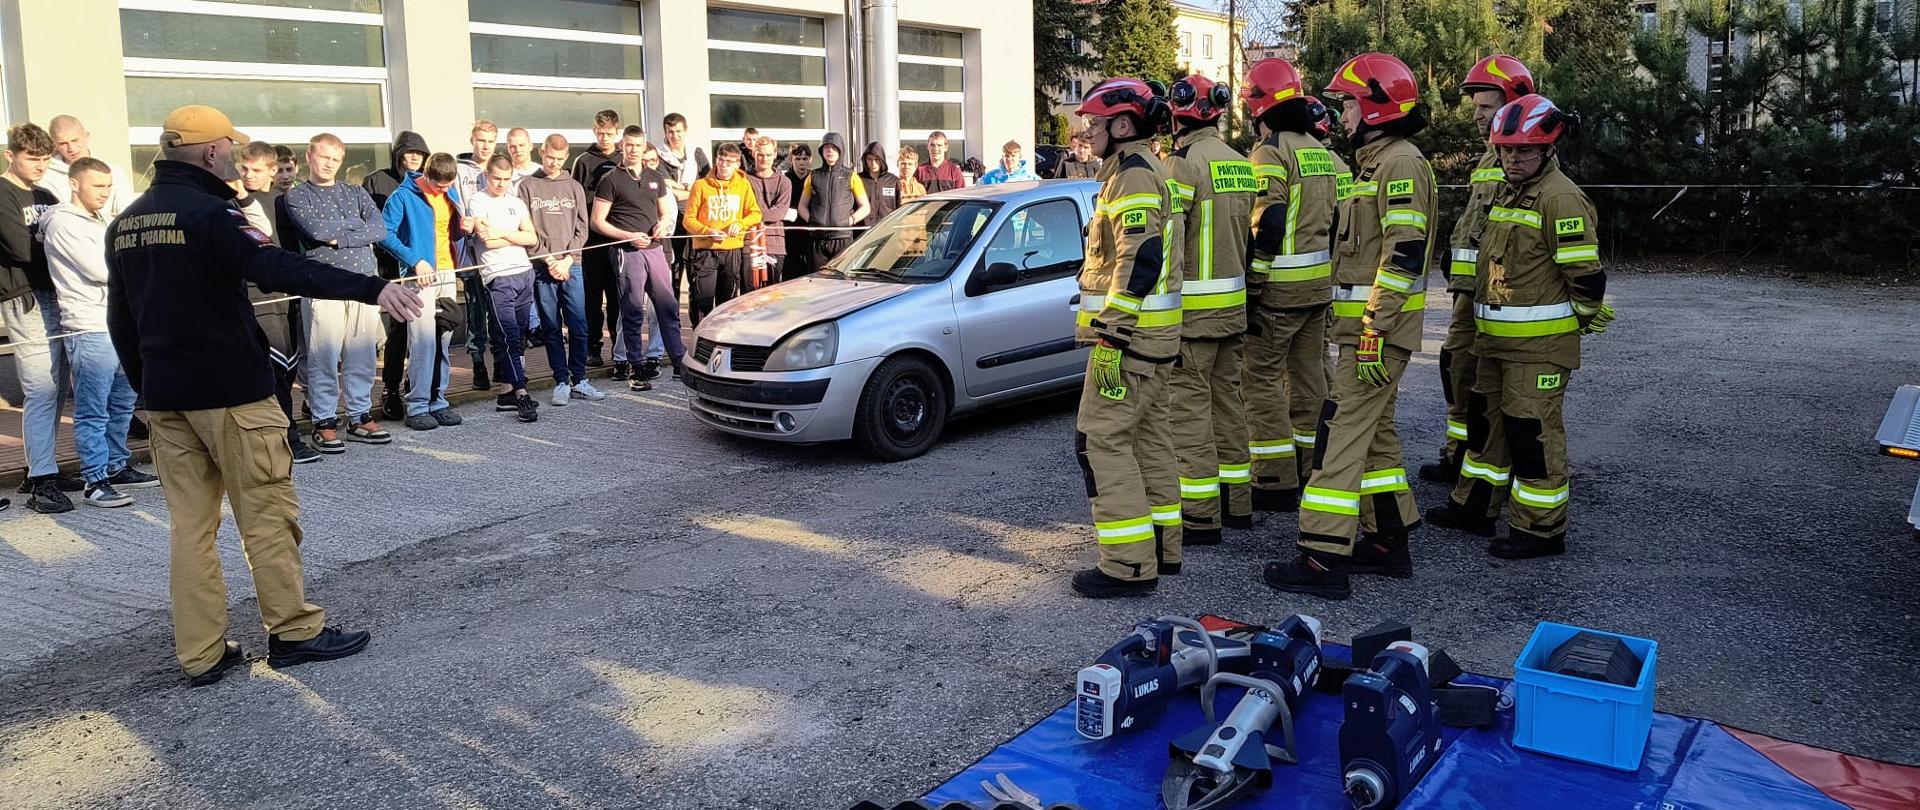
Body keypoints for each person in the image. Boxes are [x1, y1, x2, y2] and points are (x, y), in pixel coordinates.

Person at [106, 104, 425, 685]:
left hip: (167, 398)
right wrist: (372, 287)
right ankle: (294, 631)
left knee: (191, 531)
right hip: (232, 394)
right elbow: (279, 268)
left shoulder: (125, 222)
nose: (233, 154)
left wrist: (147, 389)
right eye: (229, 146)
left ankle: (201, 654)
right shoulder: (214, 214)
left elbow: (120, 320)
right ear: (209, 151)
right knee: (268, 517)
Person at [1264, 53, 1435, 601]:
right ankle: (1388, 541)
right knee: (1375, 435)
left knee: (1338, 433)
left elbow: (1404, 254)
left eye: (1347, 103)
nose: (1340, 114)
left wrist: (1374, 328)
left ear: (1377, 107)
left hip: (1375, 333)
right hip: (1363, 330)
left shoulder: (1400, 164)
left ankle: (1322, 557)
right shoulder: (1376, 163)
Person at [1428, 94, 1611, 560]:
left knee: (1533, 436)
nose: (1513, 157)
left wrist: (1573, 327)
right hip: (1495, 344)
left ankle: (1541, 530)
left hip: (1538, 351)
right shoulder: (1508, 192)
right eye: (1506, 149)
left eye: (1524, 150)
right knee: (1484, 426)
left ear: (1548, 148)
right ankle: (1476, 507)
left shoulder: (1560, 197)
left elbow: (1587, 280)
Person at [1068, 77, 1183, 599]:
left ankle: (1128, 565)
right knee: (1149, 441)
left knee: (1101, 441)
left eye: (1092, 123)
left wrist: (1111, 335)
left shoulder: (1132, 178)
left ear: (1121, 125)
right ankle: (1161, 548)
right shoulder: (1139, 171)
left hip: (1129, 342)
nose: (1084, 131)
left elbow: (1143, 259)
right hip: (1155, 341)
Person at [1420, 55, 1537, 486]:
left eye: (1485, 107)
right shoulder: (1491, 157)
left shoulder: (1520, 160)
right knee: (1457, 367)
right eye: (1476, 108)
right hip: (1469, 290)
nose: (1477, 116)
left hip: (1494, 294)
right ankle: (1459, 454)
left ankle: (1482, 466)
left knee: (1482, 378)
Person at [1239, 59, 1340, 515]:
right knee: (1309, 378)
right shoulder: (1318, 151)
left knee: (1260, 381)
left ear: (1259, 105)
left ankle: (1275, 479)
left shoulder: (1269, 151)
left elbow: (1271, 219)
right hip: (1317, 289)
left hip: (1279, 291)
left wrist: (1255, 282)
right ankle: (1311, 464)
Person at [1163, 73, 1257, 547]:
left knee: (1189, 415)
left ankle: (1200, 515)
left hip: (1193, 318)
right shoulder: (1241, 163)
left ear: (1178, 113)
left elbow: (1169, 243)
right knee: (1230, 408)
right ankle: (1237, 503)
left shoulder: (1182, 166)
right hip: (1233, 313)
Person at [44, 157, 157, 507]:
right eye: (98, 186)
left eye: (108, 187)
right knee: (93, 410)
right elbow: (100, 269)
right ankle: (95, 480)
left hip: (120, 323)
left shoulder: (103, 221)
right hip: (89, 327)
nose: (105, 194)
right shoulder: (63, 223)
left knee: (122, 402)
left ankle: (116, 464)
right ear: (75, 184)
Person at [284, 132, 391, 453]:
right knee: (323, 356)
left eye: (335, 159)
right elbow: (317, 231)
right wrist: (353, 230)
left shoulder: (355, 191)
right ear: (309, 157)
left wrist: (340, 236)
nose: (328, 164)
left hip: (364, 283)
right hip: (322, 284)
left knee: (361, 354)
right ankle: (324, 422)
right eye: (323, 157)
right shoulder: (297, 195)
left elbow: (379, 228)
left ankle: (359, 416)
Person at [229, 140, 317, 463]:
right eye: (244, 168)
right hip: (254, 294)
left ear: (271, 169)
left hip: (288, 293)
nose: (248, 175)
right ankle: (286, 437)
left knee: (289, 367)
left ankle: (284, 431)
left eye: (255, 169)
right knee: (270, 369)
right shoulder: (232, 202)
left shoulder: (285, 201)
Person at [0, 123, 73, 512]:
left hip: (54, 294)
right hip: (23, 296)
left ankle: (43, 467)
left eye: (46, 159)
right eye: (33, 158)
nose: (40, 166)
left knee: (59, 384)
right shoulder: (3, 192)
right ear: (12, 155)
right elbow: (21, 248)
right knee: (40, 386)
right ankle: (41, 480)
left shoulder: (46, 192)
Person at [379, 151, 468, 431]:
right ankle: (417, 405)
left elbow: (448, 232)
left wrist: (463, 228)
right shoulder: (402, 196)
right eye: (440, 186)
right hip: (419, 277)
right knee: (422, 341)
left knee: (443, 336)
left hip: (446, 272)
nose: (445, 190)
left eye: (449, 185)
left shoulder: (450, 192)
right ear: (427, 176)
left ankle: (437, 401)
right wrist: (414, 261)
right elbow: (384, 234)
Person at [591, 125, 685, 389]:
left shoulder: (656, 177)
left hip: (654, 250)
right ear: (622, 146)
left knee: (667, 307)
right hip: (627, 252)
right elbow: (597, 222)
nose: (633, 150)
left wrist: (663, 225)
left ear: (645, 147)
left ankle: (679, 362)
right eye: (629, 145)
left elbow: (667, 214)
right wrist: (626, 236)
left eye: (638, 145)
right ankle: (637, 368)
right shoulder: (610, 180)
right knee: (633, 311)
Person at [520, 133, 604, 406]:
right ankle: (561, 381)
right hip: (544, 267)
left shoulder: (575, 187)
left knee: (579, 324)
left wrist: (568, 259)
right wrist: (549, 260)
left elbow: (582, 228)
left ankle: (579, 378)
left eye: (559, 159)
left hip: (572, 266)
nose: (553, 163)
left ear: (566, 157)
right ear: (541, 153)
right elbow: (527, 230)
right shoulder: (528, 185)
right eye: (549, 157)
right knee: (552, 327)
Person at [468, 154, 539, 422]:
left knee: (517, 337)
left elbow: (531, 238)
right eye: (497, 178)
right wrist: (512, 237)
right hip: (498, 277)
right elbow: (486, 239)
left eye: (506, 179)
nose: (501, 184)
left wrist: (504, 234)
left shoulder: (517, 202)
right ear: (487, 176)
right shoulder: (477, 201)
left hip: (524, 273)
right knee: (508, 334)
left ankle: (507, 391)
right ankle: (521, 393)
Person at [364, 130, 429, 419]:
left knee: (422, 332)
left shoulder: (426, 183)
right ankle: (390, 389)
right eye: (409, 152)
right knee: (396, 333)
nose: (414, 157)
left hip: (421, 270)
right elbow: (371, 225)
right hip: (389, 268)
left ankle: (416, 385)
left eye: (419, 153)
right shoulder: (377, 180)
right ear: (398, 154)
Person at [683, 142, 763, 326]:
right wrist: (707, 231)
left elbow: (755, 213)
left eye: (730, 162)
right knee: (703, 298)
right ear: (716, 160)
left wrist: (740, 223)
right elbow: (688, 219)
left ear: (737, 164)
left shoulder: (743, 185)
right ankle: (700, 333)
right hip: (705, 251)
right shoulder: (701, 185)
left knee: (726, 301)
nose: (725, 165)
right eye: (721, 160)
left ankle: (721, 337)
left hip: (732, 249)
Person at [572, 109, 623, 370]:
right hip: (591, 243)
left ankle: (618, 347)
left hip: (618, 240)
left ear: (617, 132)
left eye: (609, 133)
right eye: (600, 132)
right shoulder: (583, 161)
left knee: (616, 297)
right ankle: (593, 347)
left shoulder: (624, 159)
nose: (604, 137)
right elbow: (575, 202)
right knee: (591, 299)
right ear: (594, 130)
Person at [457, 120, 502, 390]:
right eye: (480, 140)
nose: (485, 145)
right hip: (470, 252)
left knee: (498, 310)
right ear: (472, 140)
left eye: (490, 141)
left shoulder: (500, 169)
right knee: (476, 310)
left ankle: (500, 362)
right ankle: (477, 364)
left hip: (497, 250)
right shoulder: (459, 169)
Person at [797, 132, 870, 269]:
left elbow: (865, 207)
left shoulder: (851, 176)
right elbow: (802, 206)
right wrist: (813, 221)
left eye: (834, 147)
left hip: (842, 238)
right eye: (826, 147)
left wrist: (850, 220)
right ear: (821, 151)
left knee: (842, 282)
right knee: (818, 282)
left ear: (840, 150)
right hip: (817, 240)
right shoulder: (813, 176)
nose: (830, 151)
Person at [42, 115, 139, 217]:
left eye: (75, 140)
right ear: (54, 145)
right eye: (63, 144)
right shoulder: (47, 176)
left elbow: (127, 214)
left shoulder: (114, 172)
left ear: (86, 136)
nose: (71, 148)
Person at [657, 113, 710, 295]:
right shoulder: (658, 156)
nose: (675, 136)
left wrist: (680, 187)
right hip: (673, 223)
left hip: (695, 220)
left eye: (678, 131)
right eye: (670, 132)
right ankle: (674, 320)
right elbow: (665, 192)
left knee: (696, 270)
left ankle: (698, 320)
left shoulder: (696, 153)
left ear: (685, 131)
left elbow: (707, 185)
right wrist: (691, 189)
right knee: (674, 271)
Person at [745, 136, 794, 290]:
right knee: (748, 295)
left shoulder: (784, 182)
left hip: (775, 244)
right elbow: (743, 209)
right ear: (754, 154)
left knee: (772, 295)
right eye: (760, 154)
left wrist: (753, 215)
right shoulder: (743, 179)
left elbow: (778, 213)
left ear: (774, 155)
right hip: (748, 243)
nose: (764, 158)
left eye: (768, 155)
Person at [782, 143, 814, 277]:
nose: (802, 163)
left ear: (811, 160)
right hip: (790, 233)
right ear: (791, 159)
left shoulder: (815, 178)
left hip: (810, 232)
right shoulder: (785, 180)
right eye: (798, 159)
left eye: (805, 159)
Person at [857, 141, 900, 226]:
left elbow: (899, 207)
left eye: (877, 159)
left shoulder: (893, 181)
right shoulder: (858, 179)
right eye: (870, 159)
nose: (873, 163)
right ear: (865, 160)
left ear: (882, 160)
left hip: (886, 229)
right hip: (863, 230)